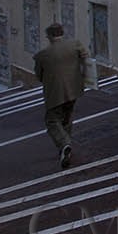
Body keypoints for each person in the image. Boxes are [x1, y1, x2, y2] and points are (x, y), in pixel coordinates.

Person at [34, 23, 89, 169]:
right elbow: (86, 58)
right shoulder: (75, 44)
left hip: (55, 93)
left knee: (52, 120)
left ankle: (65, 144)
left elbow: (39, 76)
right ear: (62, 33)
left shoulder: (42, 55)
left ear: (50, 36)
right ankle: (65, 148)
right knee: (67, 117)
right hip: (74, 88)